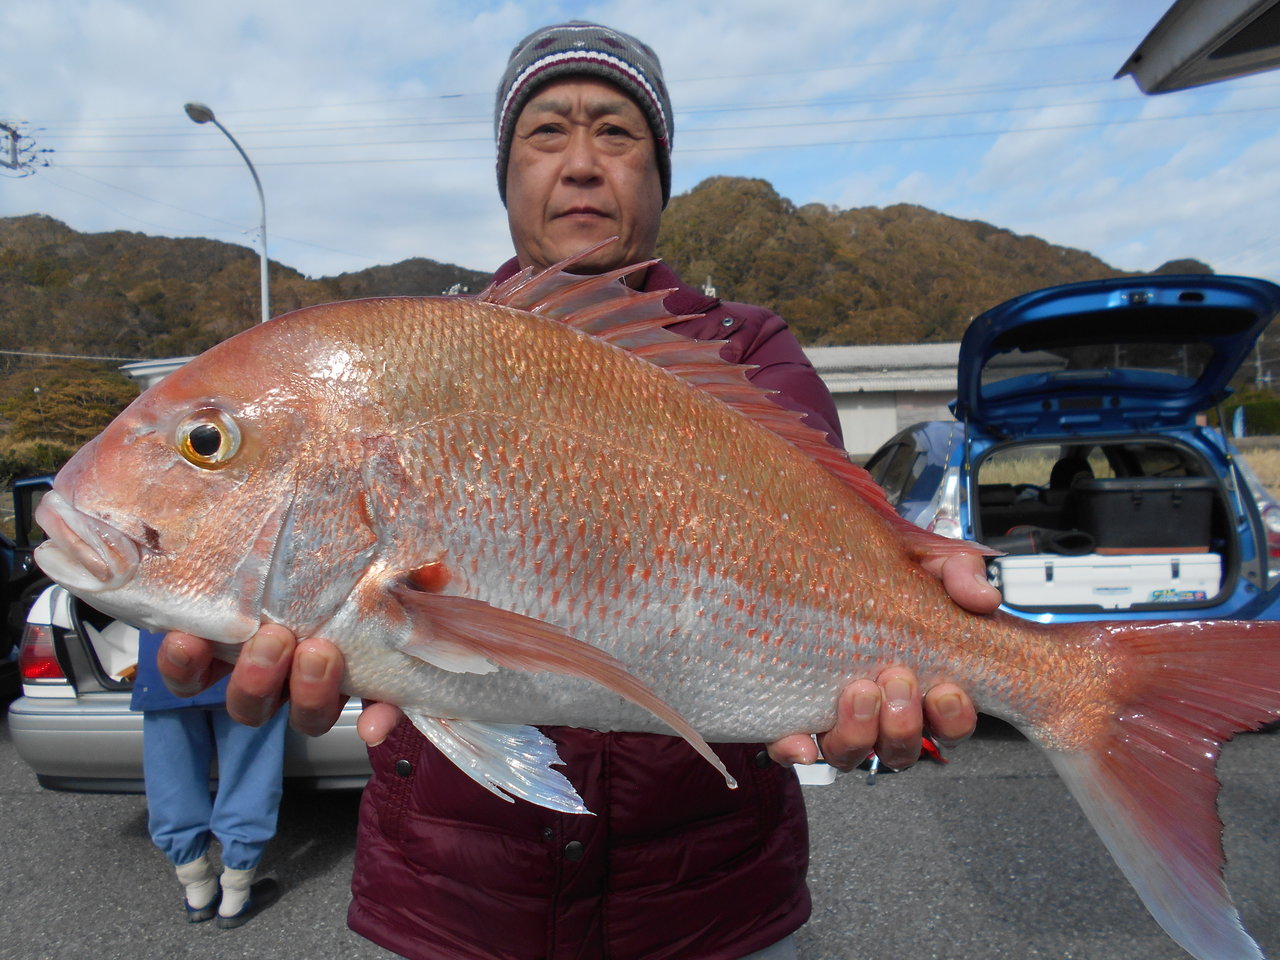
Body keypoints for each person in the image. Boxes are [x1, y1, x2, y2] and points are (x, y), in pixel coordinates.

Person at [159, 21, 1001, 959]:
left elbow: (837, 541)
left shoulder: (748, 353)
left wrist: (929, 607)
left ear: (661, 173)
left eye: (616, 131)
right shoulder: (426, 355)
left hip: (713, 913)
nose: (582, 163)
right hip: (452, 909)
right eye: (547, 132)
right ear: (506, 174)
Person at [131, 629, 284, 928]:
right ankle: (236, 892)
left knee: (170, 772)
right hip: (245, 656)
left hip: (167, 658)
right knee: (249, 770)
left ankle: (197, 887)